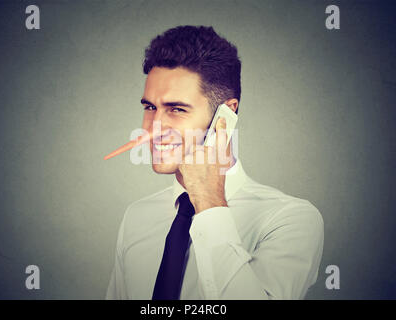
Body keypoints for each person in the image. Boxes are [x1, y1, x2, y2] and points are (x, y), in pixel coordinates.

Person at [106, 25, 324, 300]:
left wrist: (208, 202)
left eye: (176, 109)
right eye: (150, 107)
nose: (153, 128)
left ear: (225, 115)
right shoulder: (137, 217)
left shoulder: (290, 220)